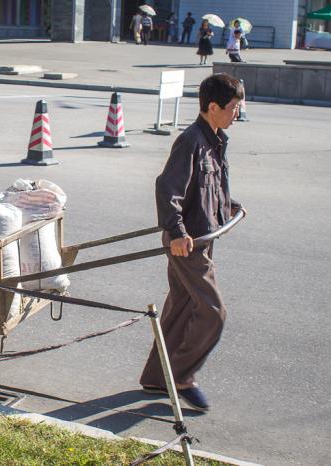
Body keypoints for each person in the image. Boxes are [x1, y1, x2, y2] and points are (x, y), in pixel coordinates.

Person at [139, 73, 245, 412]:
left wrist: (228, 206)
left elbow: (207, 186)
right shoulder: (191, 140)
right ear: (212, 107)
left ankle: (158, 376)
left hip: (202, 236)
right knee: (213, 312)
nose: (236, 114)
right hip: (187, 243)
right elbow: (167, 189)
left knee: (182, 306)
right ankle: (182, 376)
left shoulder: (215, 138)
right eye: (233, 108)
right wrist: (177, 232)